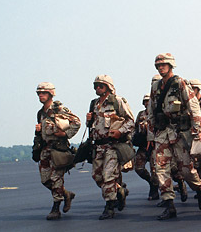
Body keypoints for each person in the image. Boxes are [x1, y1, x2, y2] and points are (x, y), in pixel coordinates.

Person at [147, 53, 201, 220]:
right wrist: (151, 135)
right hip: (162, 133)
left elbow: (194, 107)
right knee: (161, 169)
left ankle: (199, 187)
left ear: (171, 65)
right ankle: (169, 205)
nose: (160, 67)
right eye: (158, 65)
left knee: (186, 170)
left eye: (163, 65)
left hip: (179, 132)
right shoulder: (155, 87)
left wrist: (199, 130)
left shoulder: (180, 83)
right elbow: (151, 111)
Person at [87, 75, 135, 220]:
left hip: (113, 145)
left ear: (108, 87)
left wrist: (120, 131)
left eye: (101, 85)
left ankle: (109, 206)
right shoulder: (94, 104)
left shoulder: (117, 101)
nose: (97, 88)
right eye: (95, 85)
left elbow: (131, 121)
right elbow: (93, 126)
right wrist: (88, 121)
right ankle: (119, 191)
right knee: (97, 176)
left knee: (108, 175)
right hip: (99, 146)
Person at [34, 82, 80, 220]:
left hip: (58, 149)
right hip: (45, 149)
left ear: (50, 94)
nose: (40, 95)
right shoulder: (41, 113)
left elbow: (76, 122)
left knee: (56, 178)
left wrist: (65, 134)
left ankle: (56, 208)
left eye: (43, 93)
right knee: (45, 180)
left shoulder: (59, 109)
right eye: (39, 93)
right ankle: (66, 194)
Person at [132, 94, 159, 200]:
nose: (147, 103)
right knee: (138, 168)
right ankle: (151, 182)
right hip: (143, 145)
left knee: (155, 171)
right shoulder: (140, 114)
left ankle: (154, 190)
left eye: (148, 101)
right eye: (145, 101)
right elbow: (134, 128)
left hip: (154, 145)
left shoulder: (156, 114)